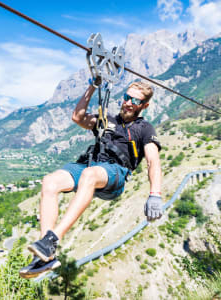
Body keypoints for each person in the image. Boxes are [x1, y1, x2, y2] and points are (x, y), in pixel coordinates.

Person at [19, 80, 163, 278]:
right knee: (50, 181)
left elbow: (153, 161)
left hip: (115, 172)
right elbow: (77, 117)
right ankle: (46, 255)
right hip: (90, 164)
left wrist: (155, 193)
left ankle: (52, 239)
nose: (128, 103)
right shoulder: (107, 119)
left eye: (135, 101)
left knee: (89, 175)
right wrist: (92, 87)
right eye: (127, 97)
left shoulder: (144, 128)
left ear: (144, 105)